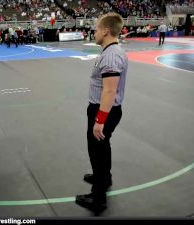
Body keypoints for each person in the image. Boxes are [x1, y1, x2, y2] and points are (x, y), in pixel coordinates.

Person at [75, 12, 128, 214]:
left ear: (105, 31)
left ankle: (97, 199)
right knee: (102, 146)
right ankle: (104, 179)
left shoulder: (111, 56)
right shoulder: (110, 51)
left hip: (104, 110)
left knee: (96, 150)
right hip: (104, 109)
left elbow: (109, 90)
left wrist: (99, 120)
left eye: (96, 29)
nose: (94, 33)